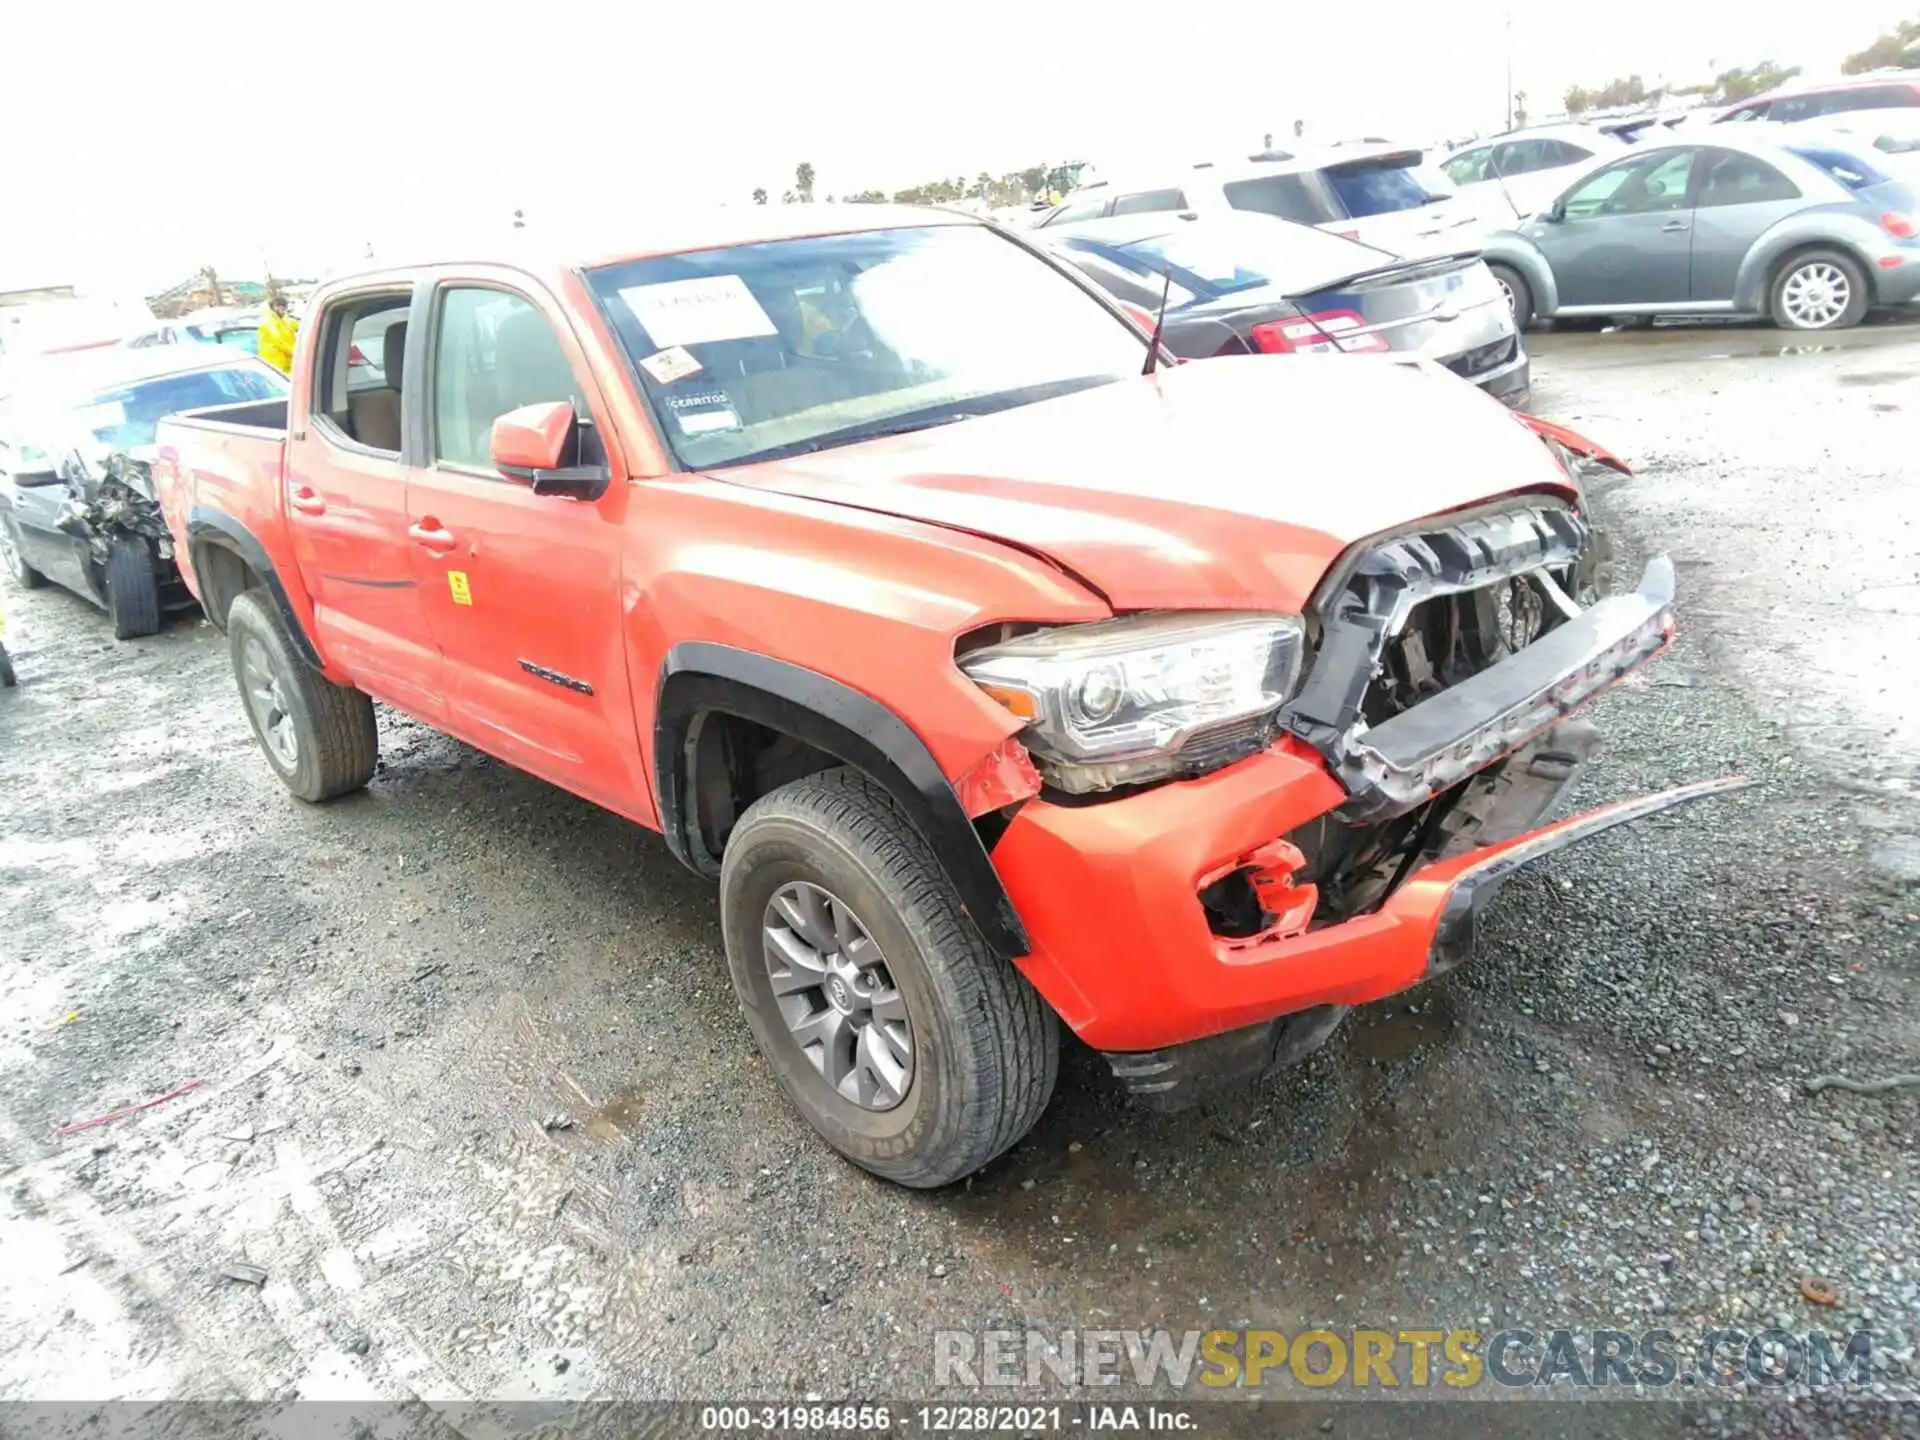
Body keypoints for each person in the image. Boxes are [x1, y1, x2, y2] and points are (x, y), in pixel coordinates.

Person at [258, 296, 299, 374]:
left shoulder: (283, 319)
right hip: (275, 363)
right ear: (272, 307)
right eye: (278, 306)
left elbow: (295, 325)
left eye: (283, 306)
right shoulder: (268, 322)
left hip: (285, 361)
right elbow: (279, 341)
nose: (281, 308)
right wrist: (296, 353)